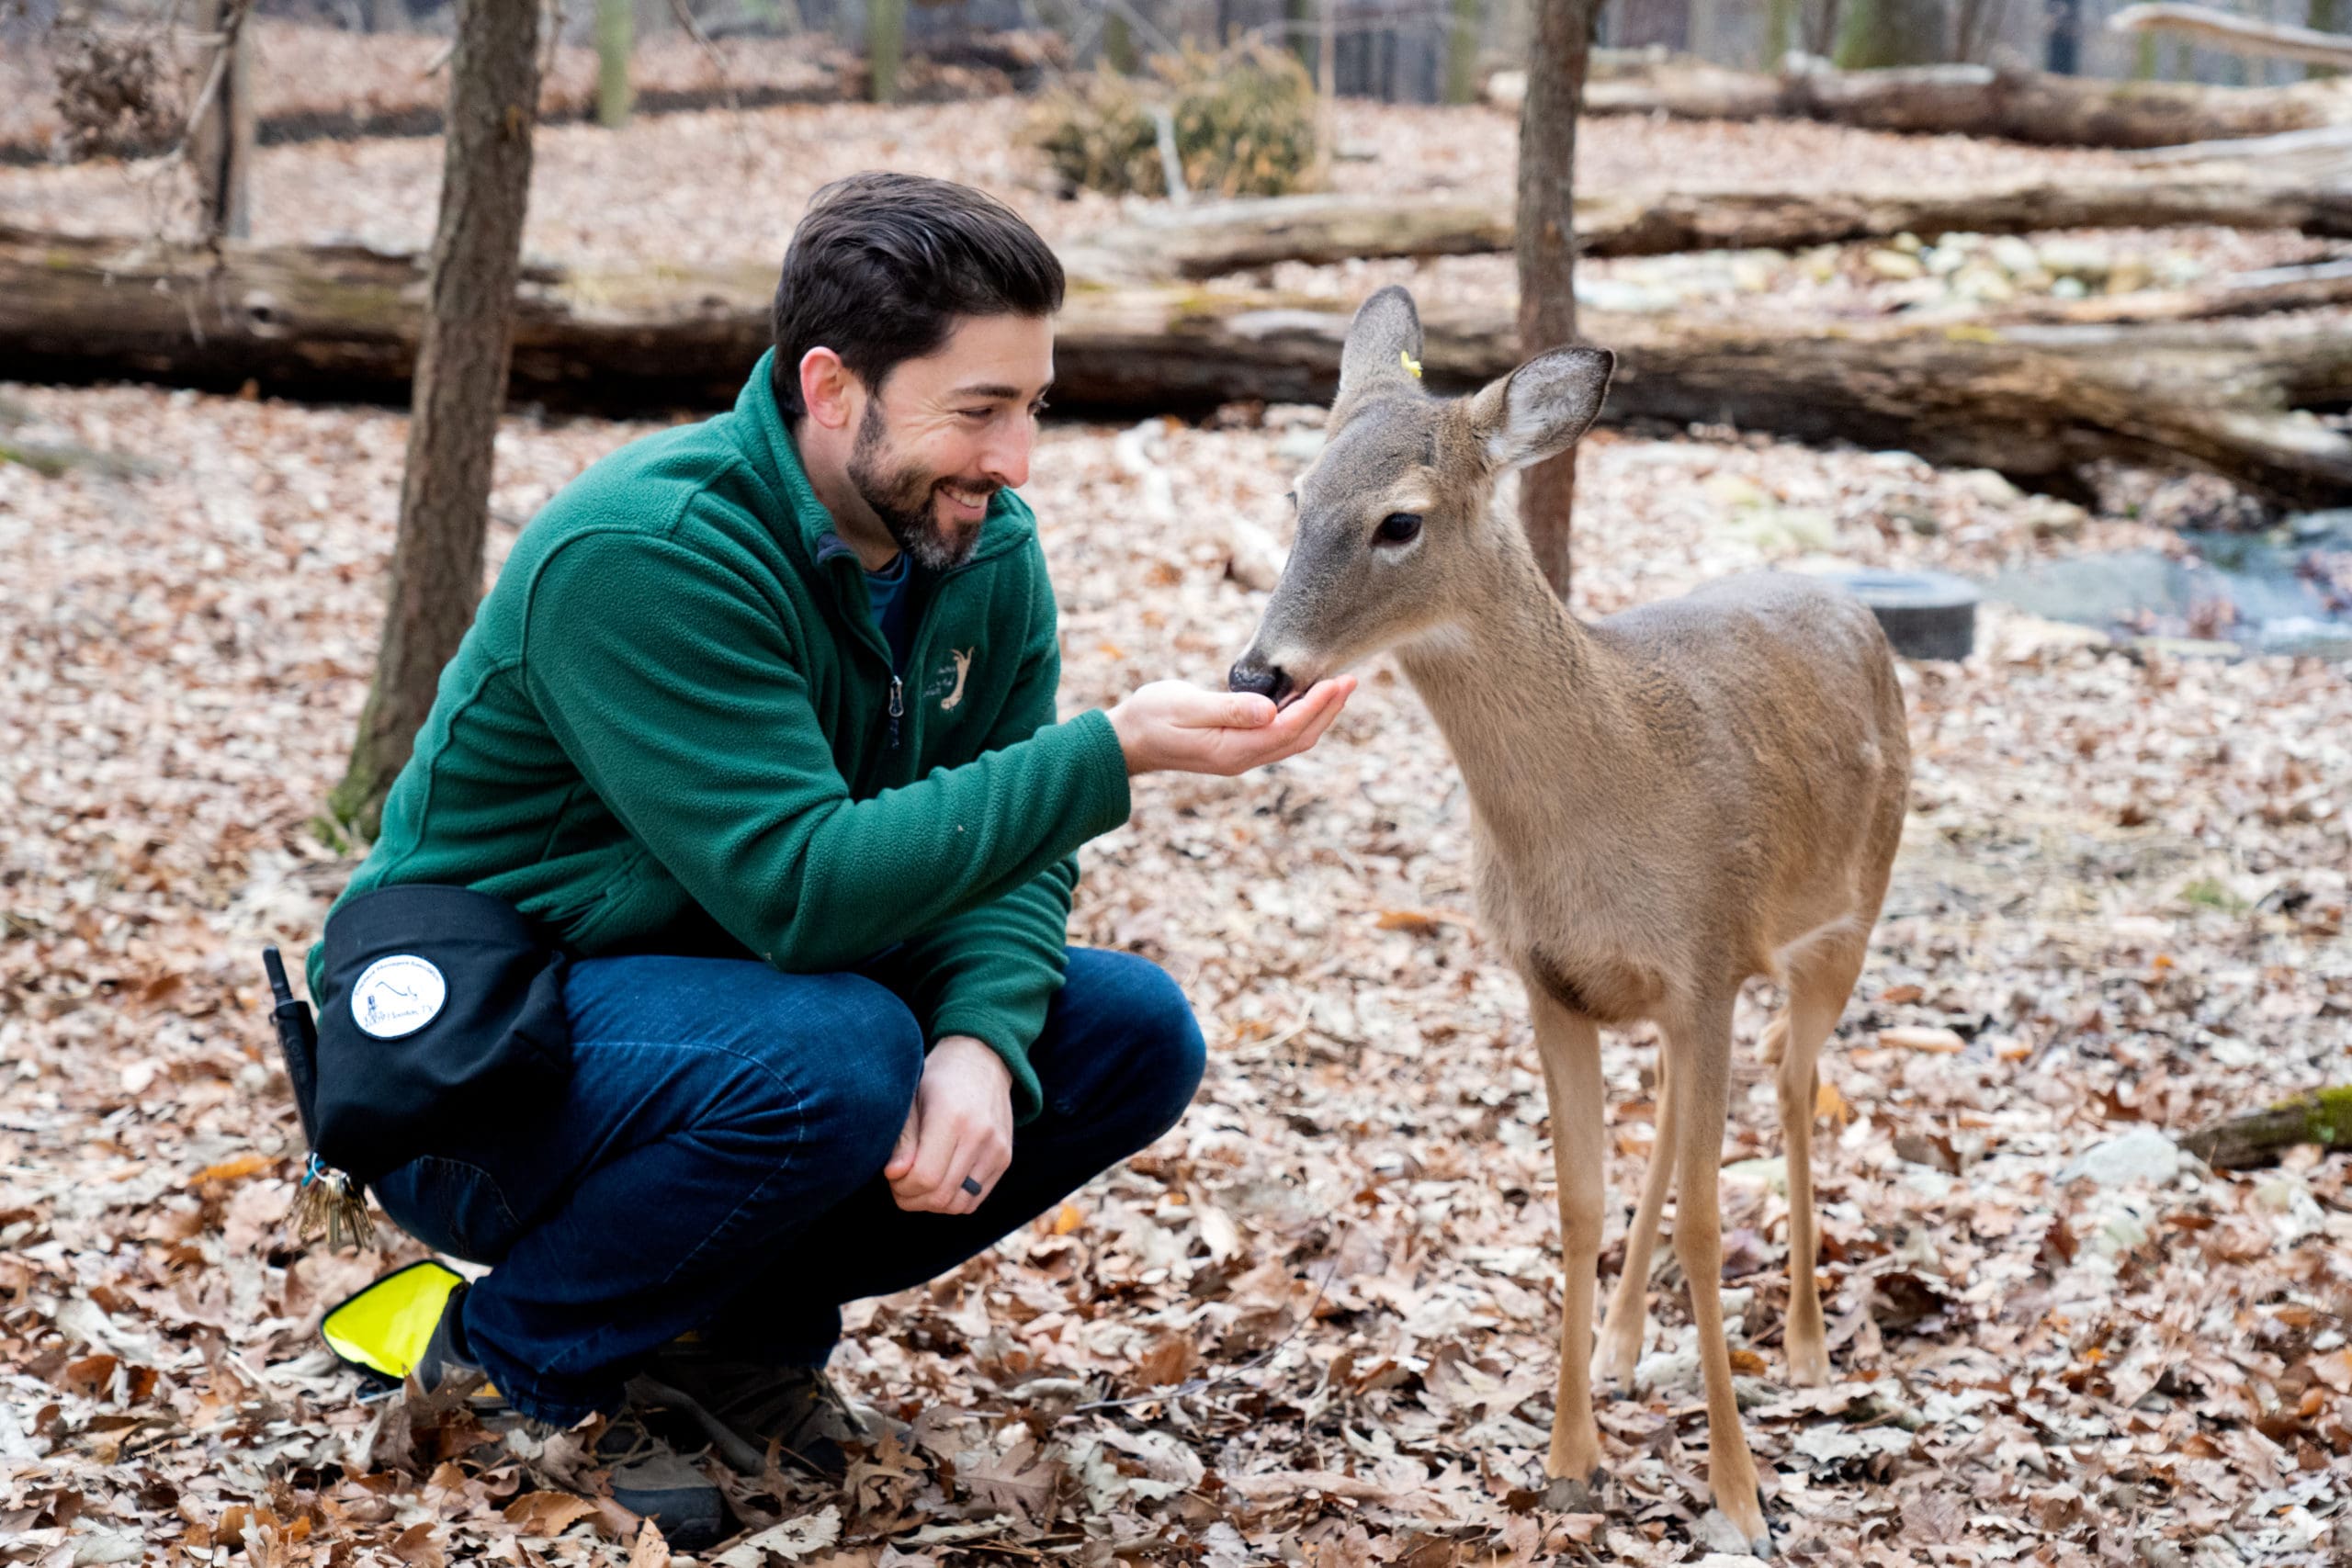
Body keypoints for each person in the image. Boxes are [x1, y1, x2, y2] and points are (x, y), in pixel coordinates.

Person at [306, 172, 1352, 1546]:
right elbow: (798, 890)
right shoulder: (650, 551)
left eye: (1034, 406)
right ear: (831, 386)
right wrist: (1112, 754)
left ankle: (724, 1350)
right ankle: (501, 1366)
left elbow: (1006, 848)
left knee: (1127, 1034)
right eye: (978, 409)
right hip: (479, 1070)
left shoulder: (978, 550)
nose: (1016, 459)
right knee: (840, 1053)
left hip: (724, 1010)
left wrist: (980, 1039)